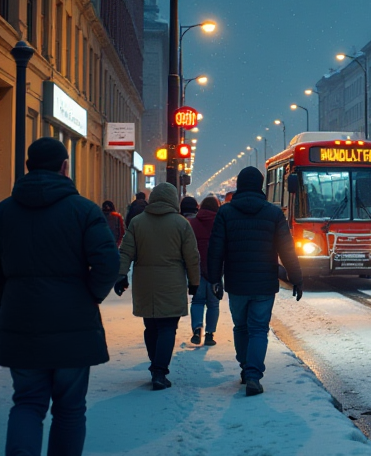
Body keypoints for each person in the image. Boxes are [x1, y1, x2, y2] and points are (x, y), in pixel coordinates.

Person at [0, 137, 120, 456]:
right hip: (74, 324)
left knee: (26, 403)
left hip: (21, 323)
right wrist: (89, 295)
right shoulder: (82, 210)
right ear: (65, 167)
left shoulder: (5, 212)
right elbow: (108, 263)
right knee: (69, 408)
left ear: (27, 167)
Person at [207, 167, 303, 396]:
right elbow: (286, 249)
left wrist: (214, 279)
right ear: (261, 185)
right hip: (264, 283)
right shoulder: (273, 213)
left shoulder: (226, 213)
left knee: (241, 326)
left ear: (239, 184)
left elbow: (215, 249)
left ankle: (245, 366)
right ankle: (253, 374)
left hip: (237, 282)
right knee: (259, 329)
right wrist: (296, 278)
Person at [114, 182, 201, 390]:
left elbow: (126, 252)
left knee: (150, 326)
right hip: (172, 282)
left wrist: (121, 275)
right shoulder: (181, 224)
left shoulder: (137, 222)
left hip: (145, 282)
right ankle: (159, 371)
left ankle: (155, 365)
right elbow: (192, 257)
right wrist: (194, 282)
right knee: (167, 327)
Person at [189, 196, 222, 346]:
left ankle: (197, 329)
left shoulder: (192, 224)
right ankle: (210, 334)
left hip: (197, 269)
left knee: (197, 301)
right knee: (213, 304)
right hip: (215, 270)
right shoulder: (220, 223)